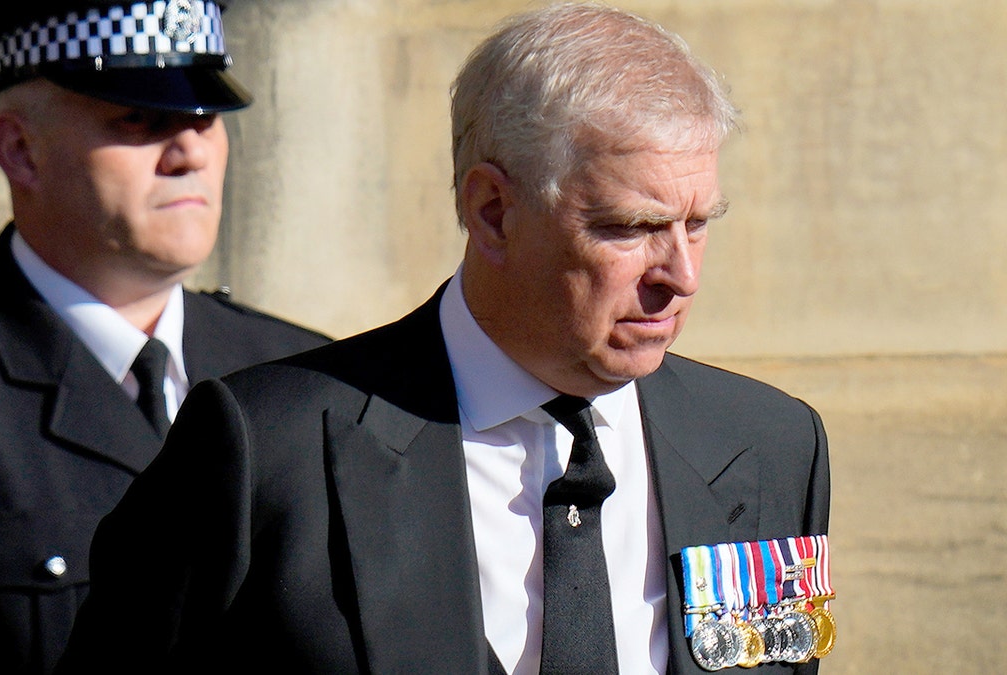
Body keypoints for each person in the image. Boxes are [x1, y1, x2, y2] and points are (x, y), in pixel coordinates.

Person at [58, 3, 829, 674]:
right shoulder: (269, 451)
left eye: (698, 223)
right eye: (630, 227)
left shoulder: (769, 445)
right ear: (493, 210)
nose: (681, 275)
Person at [0, 1, 328, 672]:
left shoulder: (302, 371)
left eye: (205, 118)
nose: (191, 152)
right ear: (20, 151)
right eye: (139, 119)